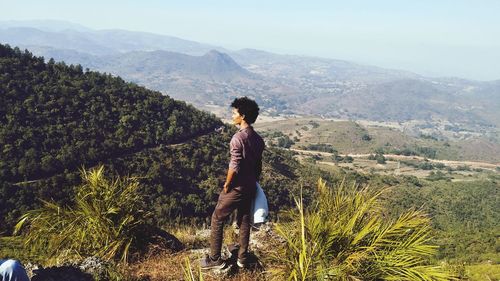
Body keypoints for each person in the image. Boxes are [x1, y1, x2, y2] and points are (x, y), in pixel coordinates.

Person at [200, 97, 265, 270]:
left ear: (242, 116)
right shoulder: (258, 139)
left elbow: (234, 166)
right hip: (250, 185)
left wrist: (227, 185)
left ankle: (215, 259)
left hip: (236, 186)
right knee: (244, 220)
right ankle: (242, 258)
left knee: (217, 218)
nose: (232, 115)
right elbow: (258, 165)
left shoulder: (238, 139)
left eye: (234, 112)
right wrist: (254, 181)